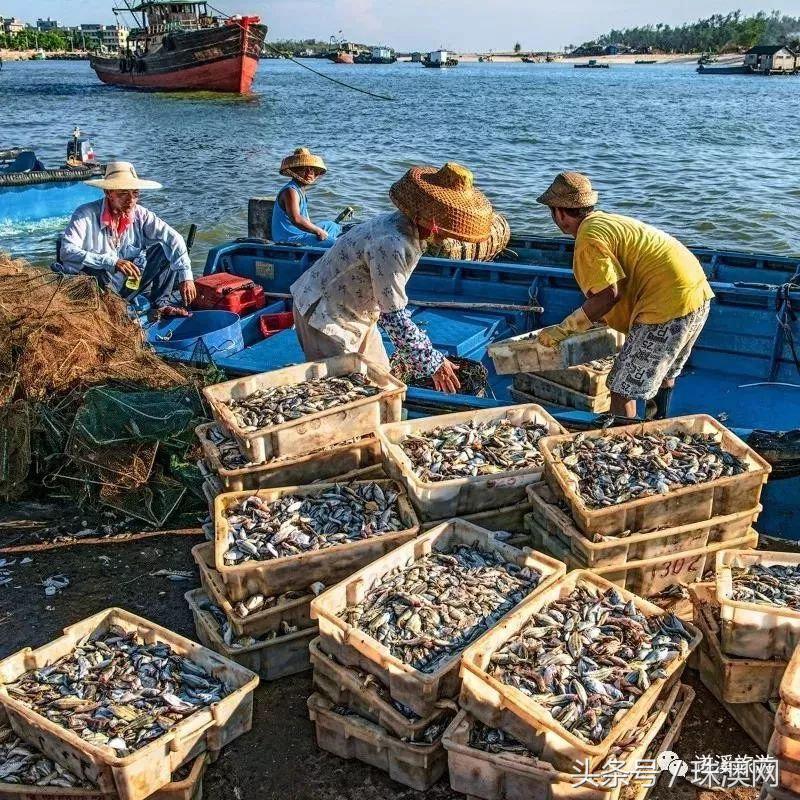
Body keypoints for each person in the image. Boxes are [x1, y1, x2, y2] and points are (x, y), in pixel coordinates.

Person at [290, 162, 494, 393]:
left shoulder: (404, 226)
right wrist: (433, 361)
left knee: (385, 386)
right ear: (435, 223)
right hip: (325, 317)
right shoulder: (392, 243)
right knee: (347, 396)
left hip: (359, 315)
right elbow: (393, 317)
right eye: (449, 227)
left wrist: (418, 354)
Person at [536, 171, 714, 419]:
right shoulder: (609, 221)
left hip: (667, 306)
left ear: (560, 212)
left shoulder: (588, 236)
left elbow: (609, 294)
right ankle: (657, 423)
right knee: (665, 373)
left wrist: (565, 329)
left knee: (621, 389)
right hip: (698, 295)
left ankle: (624, 443)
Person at [55, 161, 195, 316]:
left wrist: (185, 277)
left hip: (127, 284)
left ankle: (161, 304)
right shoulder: (85, 214)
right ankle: (112, 310)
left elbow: (173, 238)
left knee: (165, 247)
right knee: (97, 270)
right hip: (94, 289)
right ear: (108, 192)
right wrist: (111, 262)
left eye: (135, 193)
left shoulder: (141, 214)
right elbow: (66, 251)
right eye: (123, 194)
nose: (131, 200)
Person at [271, 147, 342, 248]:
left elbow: (305, 219)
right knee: (337, 245)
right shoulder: (290, 191)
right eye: (304, 169)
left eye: (312, 169)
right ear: (294, 171)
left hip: (300, 233)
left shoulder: (300, 190)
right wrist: (318, 231)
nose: (309, 173)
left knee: (332, 225)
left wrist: (318, 230)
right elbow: (296, 219)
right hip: (289, 238)